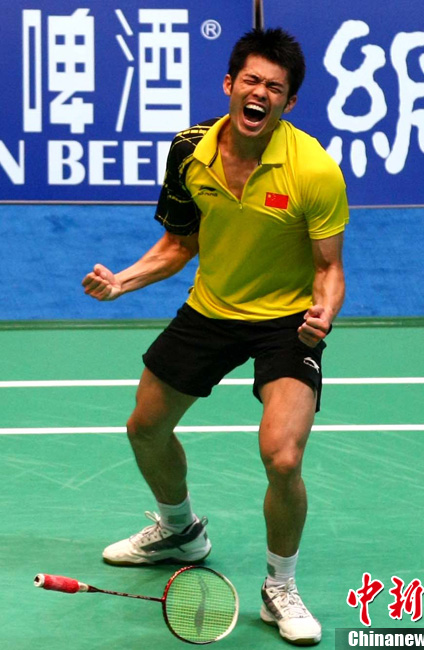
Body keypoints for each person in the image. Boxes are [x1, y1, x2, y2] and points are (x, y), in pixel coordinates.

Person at [82, 28, 348, 646]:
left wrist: (324, 313)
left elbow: (328, 268)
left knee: (283, 457)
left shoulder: (313, 169)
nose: (261, 93)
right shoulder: (189, 150)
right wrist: (123, 281)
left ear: (289, 102)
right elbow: (179, 245)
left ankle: (280, 586)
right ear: (230, 84)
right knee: (145, 427)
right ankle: (180, 530)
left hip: (286, 320)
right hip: (212, 307)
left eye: (275, 88)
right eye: (251, 80)